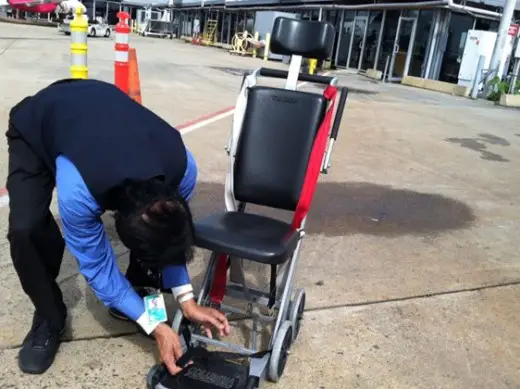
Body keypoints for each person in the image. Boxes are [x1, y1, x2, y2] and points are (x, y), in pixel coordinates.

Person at [6, 78, 230, 376]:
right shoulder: (79, 192)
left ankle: (138, 289)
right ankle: (49, 316)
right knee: (25, 228)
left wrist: (186, 299)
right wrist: (156, 326)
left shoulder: (183, 169)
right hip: (41, 122)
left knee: (156, 239)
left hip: (100, 110)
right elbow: (98, 268)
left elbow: (171, 236)